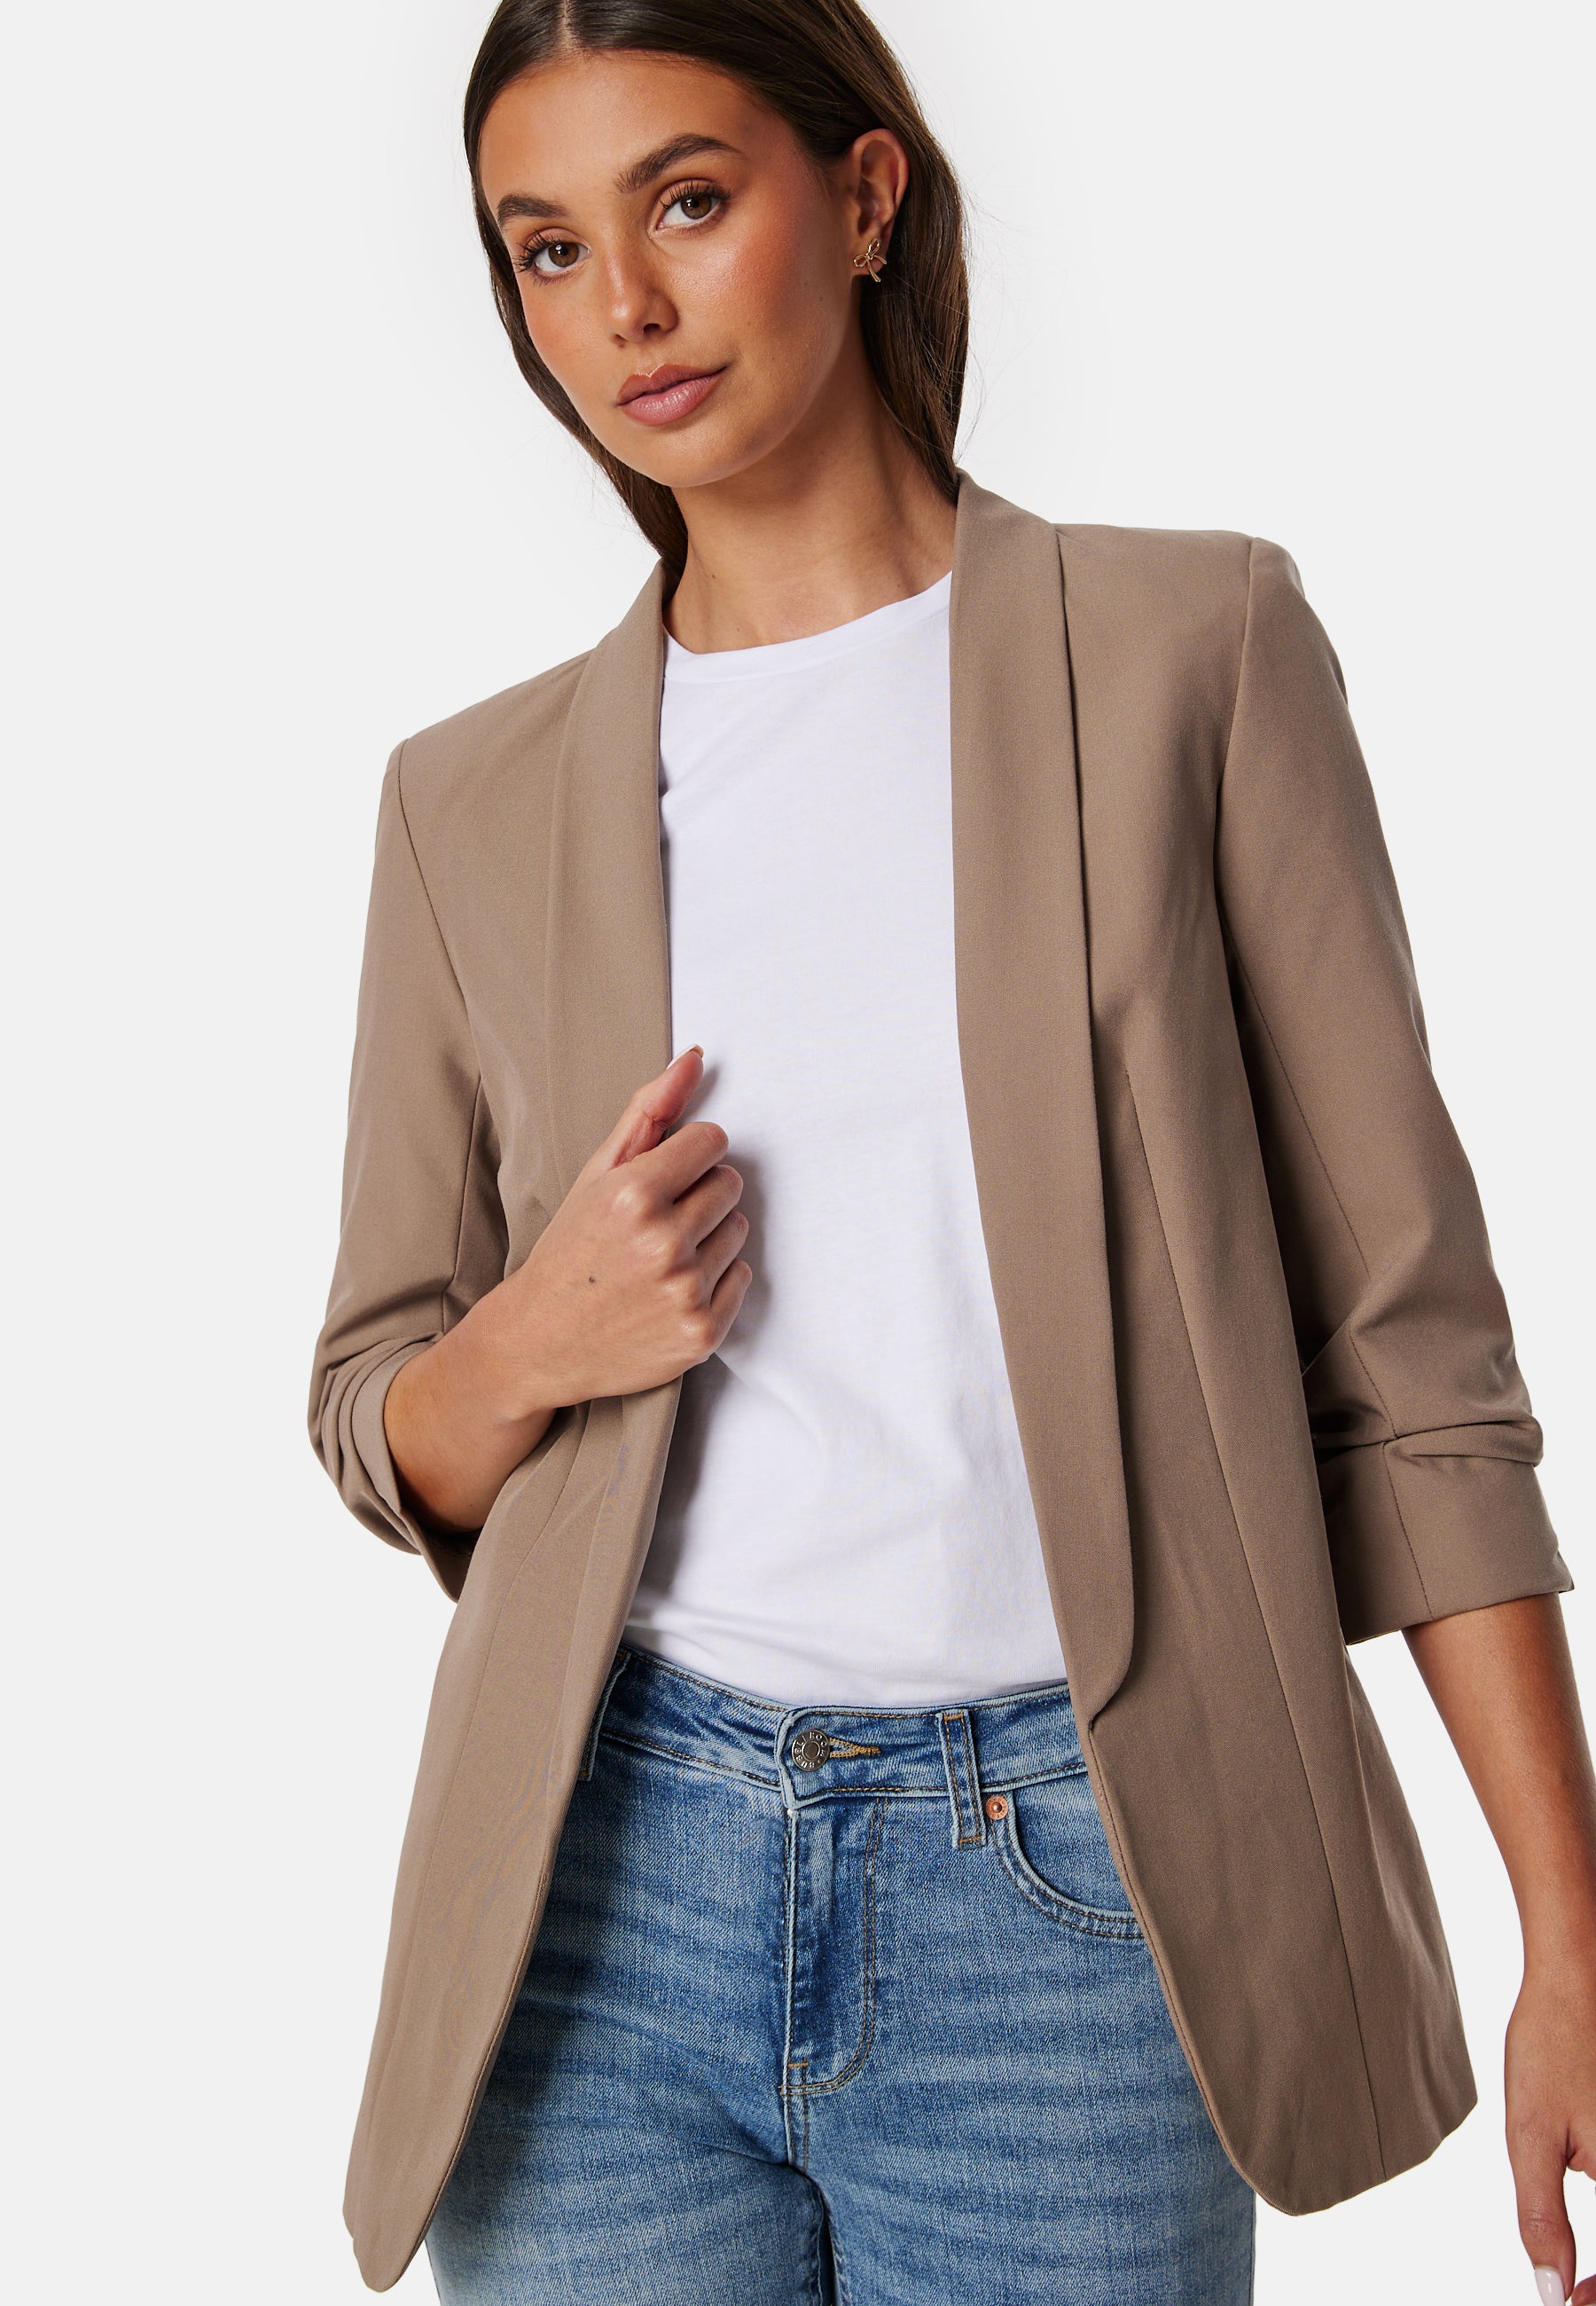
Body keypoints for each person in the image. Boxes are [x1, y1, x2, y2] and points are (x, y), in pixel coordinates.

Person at [308, 2, 1596, 2299]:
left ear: (866, 195)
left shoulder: (1192, 654)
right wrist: (534, 1340)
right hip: (606, 1897)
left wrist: (1567, 1931)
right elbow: (375, 1410)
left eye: (687, 200)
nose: (625, 307)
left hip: (1074, 1898)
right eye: (547, 248)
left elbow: (1409, 1359)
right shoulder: (467, 805)